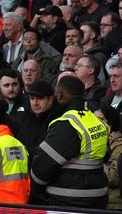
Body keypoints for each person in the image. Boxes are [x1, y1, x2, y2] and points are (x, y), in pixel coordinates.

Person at [29, 75, 109, 208]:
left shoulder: (67, 124)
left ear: (59, 95)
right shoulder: (94, 119)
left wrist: (34, 190)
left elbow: (43, 165)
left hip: (70, 199)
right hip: (98, 196)